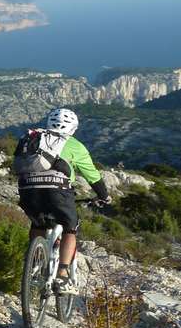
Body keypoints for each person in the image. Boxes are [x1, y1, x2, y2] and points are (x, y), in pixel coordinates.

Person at [15, 108, 110, 293]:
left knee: (38, 223)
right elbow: (93, 177)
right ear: (73, 128)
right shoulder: (75, 145)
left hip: (27, 189)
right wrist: (104, 196)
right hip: (57, 191)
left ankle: (34, 264)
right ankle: (63, 275)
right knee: (69, 227)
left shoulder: (34, 138)